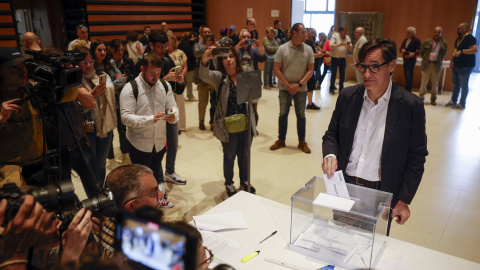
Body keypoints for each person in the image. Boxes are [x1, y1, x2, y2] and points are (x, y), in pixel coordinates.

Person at [322, 38, 428, 228]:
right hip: (344, 185)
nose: (367, 74)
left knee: (365, 246)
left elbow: (416, 158)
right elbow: (331, 134)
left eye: (375, 67)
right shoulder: (348, 97)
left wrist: (403, 200)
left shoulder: (411, 106)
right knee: (338, 238)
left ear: (392, 66)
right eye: (363, 67)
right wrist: (330, 154)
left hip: (379, 191)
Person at [120, 53, 177, 208]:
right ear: (142, 69)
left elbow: (173, 106)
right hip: (139, 143)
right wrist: (150, 119)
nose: (156, 77)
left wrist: (173, 116)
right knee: (141, 180)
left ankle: (156, 201)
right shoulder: (130, 88)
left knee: (156, 172)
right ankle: (141, 207)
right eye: (152, 73)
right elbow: (125, 118)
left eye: (158, 74)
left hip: (158, 141)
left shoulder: (164, 86)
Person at [200, 45, 257, 197]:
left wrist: (252, 80)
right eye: (224, 58)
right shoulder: (219, 78)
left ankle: (245, 181)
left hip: (245, 124)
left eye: (231, 56)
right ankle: (229, 183)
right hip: (228, 126)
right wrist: (205, 59)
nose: (228, 60)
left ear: (236, 58)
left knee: (245, 155)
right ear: (221, 62)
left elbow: (256, 97)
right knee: (229, 156)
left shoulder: (245, 74)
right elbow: (204, 76)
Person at [97, 164, 165, 259]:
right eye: (154, 193)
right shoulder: (128, 257)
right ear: (132, 205)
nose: (161, 195)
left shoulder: (109, 218)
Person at [0, 47, 45, 181]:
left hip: (42, 161)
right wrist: (1, 118)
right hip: (12, 168)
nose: (22, 72)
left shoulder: (32, 89)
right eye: (14, 69)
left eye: (23, 66)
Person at [270, 23, 314, 154]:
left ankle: (302, 142)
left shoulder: (308, 49)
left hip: (301, 89)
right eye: (303, 32)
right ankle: (281, 140)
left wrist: (299, 84)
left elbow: (310, 70)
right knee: (283, 113)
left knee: (301, 114)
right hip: (285, 89)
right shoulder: (282, 49)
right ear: (294, 33)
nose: (306, 35)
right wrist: (288, 85)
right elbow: (276, 69)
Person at [77, 46, 117, 186]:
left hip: (105, 126)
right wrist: (92, 95)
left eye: (90, 61)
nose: (88, 65)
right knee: (90, 164)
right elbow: (75, 107)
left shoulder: (99, 75)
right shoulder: (75, 83)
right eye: (83, 62)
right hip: (87, 129)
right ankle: (95, 193)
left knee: (101, 162)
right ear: (76, 64)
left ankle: (101, 189)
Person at [109, 39, 136, 165]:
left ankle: (125, 155)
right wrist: (117, 83)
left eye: (121, 50)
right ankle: (110, 157)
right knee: (109, 130)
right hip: (111, 101)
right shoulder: (108, 64)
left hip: (125, 100)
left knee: (123, 129)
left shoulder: (128, 62)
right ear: (112, 50)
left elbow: (134, 80)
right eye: (117, 50)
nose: (120, 52)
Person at [235, 29, 267, 125]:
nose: (246, 39)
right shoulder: (237, 50)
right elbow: (230, 56)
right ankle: (244, 129)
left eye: (248, 37)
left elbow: (263, 58)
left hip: (254, 82)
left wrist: (260, 47)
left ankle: (254, 128)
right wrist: (237, 46)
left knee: (254, 108)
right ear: (240, 38)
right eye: (244, 37)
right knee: (241, 107)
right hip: (241, 82)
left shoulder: (253, 50)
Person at [446, 22, 477, 109]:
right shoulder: (459, 38)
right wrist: (452, 61)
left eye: (459, 29)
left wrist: (462, 51)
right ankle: (453, 100)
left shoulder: (470, 38)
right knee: (456, 84)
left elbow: (475, 49)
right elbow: (456, 50)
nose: (458, 30)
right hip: (457, 65)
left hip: (465, 66)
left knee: (464, 85)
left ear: (464, 29)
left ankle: (462, 103)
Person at [419, 26, 448, 106]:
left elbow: (444, 54)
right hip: (427, 64)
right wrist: (426, 58)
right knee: (424, 82)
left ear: (441, 33)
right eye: (435, 32)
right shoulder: (427, 41)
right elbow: (421, 52)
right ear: (433, 32)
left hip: (436, 65)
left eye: (439, 32)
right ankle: (421, 96)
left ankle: (433, 99)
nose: (437, 34)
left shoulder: (444, 43)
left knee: (435, 83)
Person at [194, 26, 216, 130]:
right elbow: (196, 54)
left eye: (209, 32)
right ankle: (201, 121)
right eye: (205, 32)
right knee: (203, 103)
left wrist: (216, 47)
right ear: (201, 34)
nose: (207, 33)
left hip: (213, 78)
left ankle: (213, 122)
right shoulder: (198, 45)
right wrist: (205, 47)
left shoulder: (215, 45)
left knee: (215, 102)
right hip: (202, 80)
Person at [167, 31, 188, 133]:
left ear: (173, 40)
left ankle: (180, 126)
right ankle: (172, 124)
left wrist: (181, 76)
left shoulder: (180, 53)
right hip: (168, 82)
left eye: (168, 39)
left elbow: (185, 66)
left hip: (178, 81)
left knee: (179, 103)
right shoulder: (163, 54)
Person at [305, 28, 324, 110]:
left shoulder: (312, 43)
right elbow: (309, 54)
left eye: (315, 33)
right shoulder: (306, 43)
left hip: (311, 67)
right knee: (310, 86)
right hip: (307, 68)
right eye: (313, 33)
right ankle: (309, 103)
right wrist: (318, 55)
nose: (315, 35)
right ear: (308, 33)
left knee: (309, 85)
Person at [329, 26, 352, 94]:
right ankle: (331, 88)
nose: (346, 33)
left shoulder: (347, 37)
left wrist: (348, 46)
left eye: (346, 31)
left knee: (342, 75)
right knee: (333, 74)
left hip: (343, 58)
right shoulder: (335, 36)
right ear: (340, 31)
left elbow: (351, 49)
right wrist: (340, 44)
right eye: (344, 31)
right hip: (335, 58)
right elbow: (331, 45)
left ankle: (341, 89)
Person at [399, 27, 421, 92]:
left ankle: (408, 90)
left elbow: (420, 50)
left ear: (413, 33)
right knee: (406, 75)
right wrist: (402, 50)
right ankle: (406, 89)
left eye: (409, 32)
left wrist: (414, 53)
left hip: (411, 60)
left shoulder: (416, 40)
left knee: (409, 76)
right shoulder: (405, 40)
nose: (407, 34)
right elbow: (400, 48)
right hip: (405, 60)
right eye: (407, 32)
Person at [178, 32, 198, 101]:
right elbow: (194, 53)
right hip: (190, 66)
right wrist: (193, 43)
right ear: (189, 38)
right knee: (189, 82)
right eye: (192, 37)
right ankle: (190, 96)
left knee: (185, 82)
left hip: (182, 66)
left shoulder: (180, 45)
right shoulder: (188, 46)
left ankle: (180, 95)